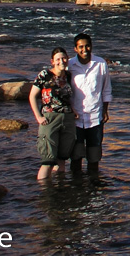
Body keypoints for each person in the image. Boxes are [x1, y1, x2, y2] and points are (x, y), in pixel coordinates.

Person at [29, 47, 76, 180]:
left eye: (64, 58)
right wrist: (38, 117)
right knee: (48, 161)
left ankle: (58, 189)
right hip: (49, 119)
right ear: (52, 61)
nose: (61, 61)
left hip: (67, 118)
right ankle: (44, 193)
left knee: (62, 159)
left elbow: (67, 97)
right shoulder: (44, 75)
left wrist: (74, 109)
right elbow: (32, 96)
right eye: (58, 59)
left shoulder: (68, 76)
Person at [68, 33, 112, 174]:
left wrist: (105, 111)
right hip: (76, 120)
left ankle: (93, 188)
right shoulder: (69, 65)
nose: (84, 49)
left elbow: (106, 89)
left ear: (91, 46)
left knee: (94, 158)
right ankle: (76, 189)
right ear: (75, 49)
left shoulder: (100, 64)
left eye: (87, 46)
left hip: (95, 118)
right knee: (76, 157)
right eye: (81, 47)